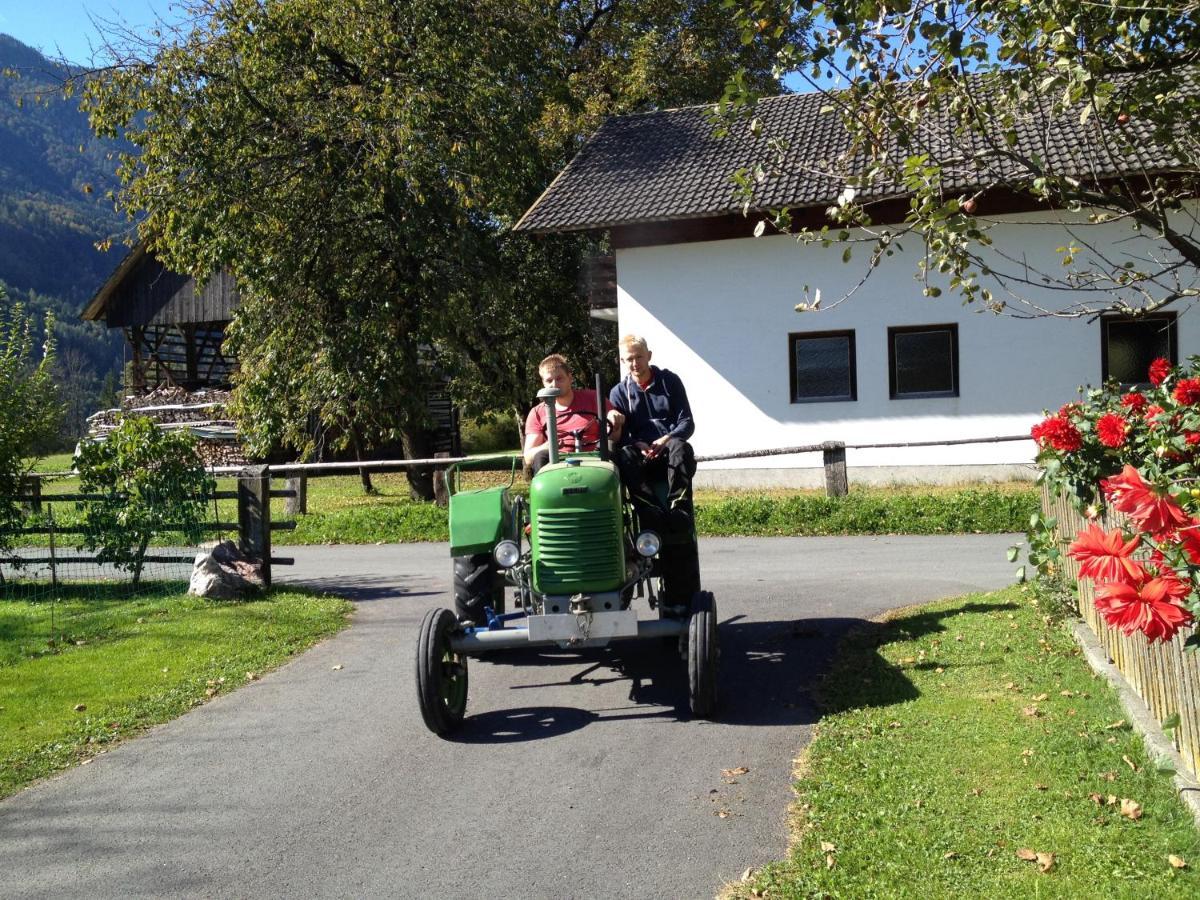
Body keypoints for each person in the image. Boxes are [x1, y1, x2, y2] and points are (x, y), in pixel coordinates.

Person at [608, 334, 696, 524]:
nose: (635, 363)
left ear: (649, 355)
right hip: (642, 455)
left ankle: (679, 508)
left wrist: (667, 438)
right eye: (629, 359)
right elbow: (621, 435)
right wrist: (636, 443)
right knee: (624, 454)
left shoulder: (670, 381)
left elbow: (687, 422)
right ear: (622, 360)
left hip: (670, 451)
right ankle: (649, 509)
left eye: (639, 357)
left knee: (681, 446)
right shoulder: (618, 393)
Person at [523, 354, 624, 475]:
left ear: (570, 378)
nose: (554, 384)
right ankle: (548, 493)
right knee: (540, 456)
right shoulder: (537, 412)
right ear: (543, 383)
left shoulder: (594, 398)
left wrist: (614, 418)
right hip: (558, 462)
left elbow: (614, 434)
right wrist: (547, 446)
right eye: (549, 380)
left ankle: (611, 490)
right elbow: (528, 457)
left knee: (609, 445)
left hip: (595, 457)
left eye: (559, 378)